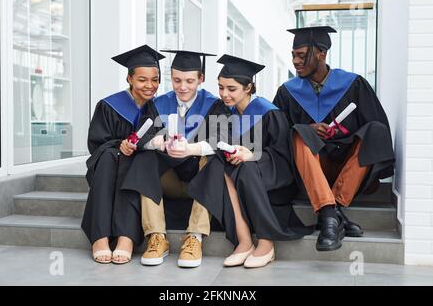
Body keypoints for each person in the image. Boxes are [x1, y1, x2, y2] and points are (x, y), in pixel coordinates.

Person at [273, 26, 395, 251]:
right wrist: (307, 128)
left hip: (346, 168)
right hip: (310, 167)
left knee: (376, 130)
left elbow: (372, 126)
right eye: (293, 55)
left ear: (321, 54)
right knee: (298, 132)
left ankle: (333, 206)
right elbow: (275, 134)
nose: (295, 61)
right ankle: (331, 213)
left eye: (301, 55)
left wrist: (342, 132)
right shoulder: (288, 91)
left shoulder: (353, 84)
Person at [187, 55, 313, 269]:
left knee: (245, 166)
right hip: (238, 176)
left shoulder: (269, 113)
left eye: (231, 88)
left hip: (273, 177)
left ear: (248, 88)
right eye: (220, 87)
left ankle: (265, 242)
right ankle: (244, 241)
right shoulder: (226, 113)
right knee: (219, 164)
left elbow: (283, 157)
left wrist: (252, 155)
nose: (224, 94)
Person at [121, 50, 231, 268]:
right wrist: (158, 143)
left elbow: (222, 141)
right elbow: (144, 136)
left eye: (190, 81)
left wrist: (189, 149)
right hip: (169, 180)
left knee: (215, 161)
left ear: (201, 78)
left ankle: (194, 237)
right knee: (144, 158)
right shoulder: (158, 104)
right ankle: (157, 237)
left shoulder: (214, 105)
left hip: (201, 180)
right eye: (177, 80)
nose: (183, 87)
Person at [81, 45, 165, 264]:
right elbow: (96, 143)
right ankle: (99, 238)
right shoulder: (109, 105)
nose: (150, 86)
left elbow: (160, 136)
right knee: (110, 158)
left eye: (155, 79)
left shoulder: (156, 108)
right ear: (129, 79)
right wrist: (120, 145)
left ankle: (125, 238)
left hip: (140, 164)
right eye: (142, 80)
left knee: (138, 161)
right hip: (109, 162)